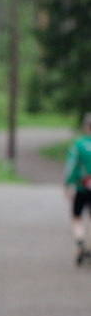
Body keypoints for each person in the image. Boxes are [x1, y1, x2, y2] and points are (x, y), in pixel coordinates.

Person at [64, 113, 91, 265]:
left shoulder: (78, 145)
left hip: (82, 186)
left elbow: (71, 166)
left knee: (76, 217)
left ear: (86, 126)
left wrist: (69, 184)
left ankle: (80, 241)